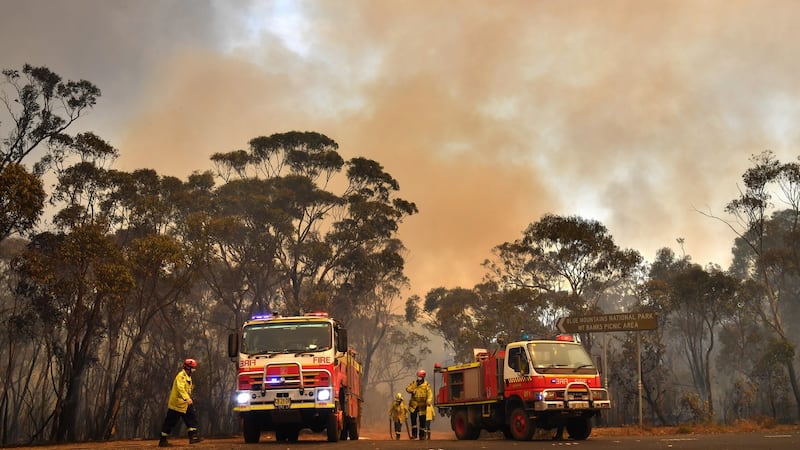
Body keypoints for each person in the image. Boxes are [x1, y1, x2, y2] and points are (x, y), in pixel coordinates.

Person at [158, 358, 202, 447]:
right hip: (177, 404)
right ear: (188, 368)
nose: (194, 370)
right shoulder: (181, 376)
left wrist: (189, 397)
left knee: (192, 419)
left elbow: (187, 389)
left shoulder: (188, 377)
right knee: (170, 422)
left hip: (184, 404)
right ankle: (163, 440)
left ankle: (193, 437)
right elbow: (180, 388)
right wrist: (187, 398)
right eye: (192, 368)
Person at [405, 369, 433, 440]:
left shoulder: (426, 385)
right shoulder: (414, 383)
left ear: (423, 377)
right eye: (418, 377)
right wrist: (412, 390)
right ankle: (414, 435)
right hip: (414, 406)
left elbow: (430, 394)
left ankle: (422, 436)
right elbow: (407, 388)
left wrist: (429, 400)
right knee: (413, 421)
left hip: (422, 406)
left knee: (422, 421)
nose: (418, 378)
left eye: (420, 377)